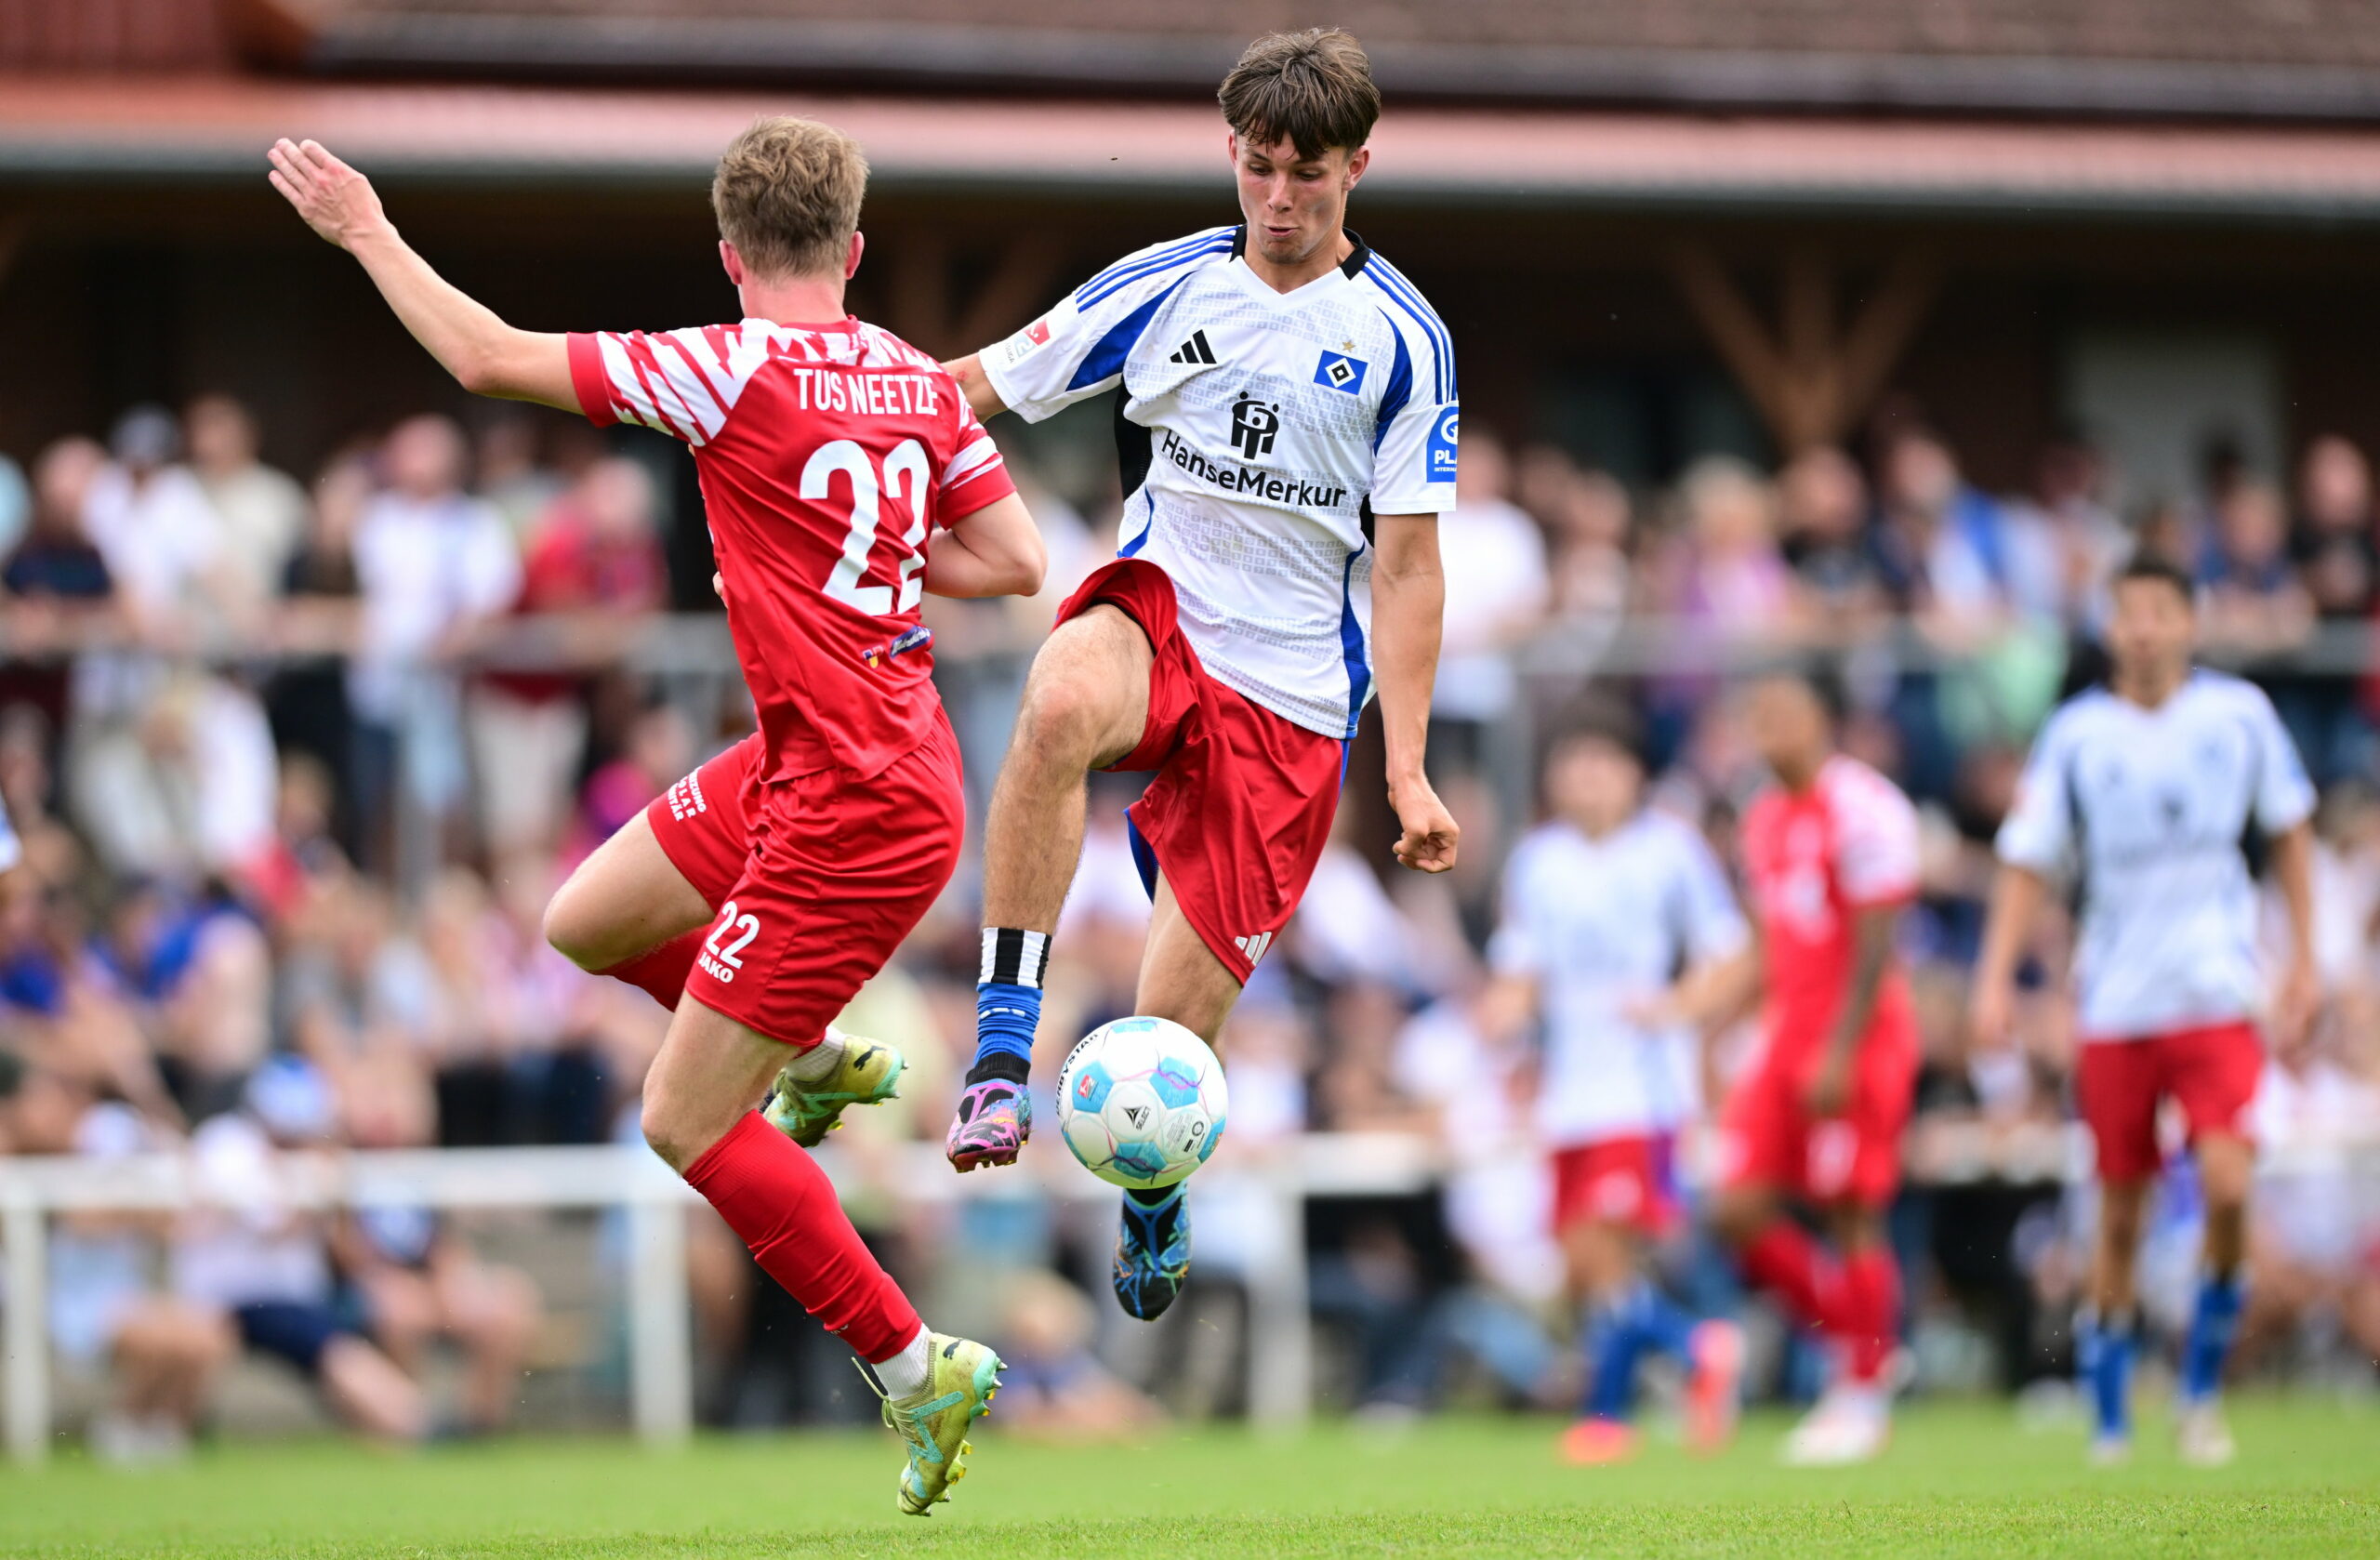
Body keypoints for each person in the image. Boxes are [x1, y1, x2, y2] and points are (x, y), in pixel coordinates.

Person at [270, 112, 1047, 1512]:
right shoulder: (916, 380)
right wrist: (871, 559)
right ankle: (805, 1060)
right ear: (856, 250)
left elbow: (485, 357)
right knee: (584, 916)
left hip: (849, 803)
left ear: (732, 254)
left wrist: (366, 231)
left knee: (684, 1121)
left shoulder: (721, 363)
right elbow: (1017, 555)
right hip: (847, 756)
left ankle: (913, 1360)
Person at [937, 27, 1461, 1322]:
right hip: (1158, 612)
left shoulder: (1405, 340)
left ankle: (1151, 1191)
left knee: (1165, 1042)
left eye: (1311, 175)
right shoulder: (1164, 284)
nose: (1281, 200)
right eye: (1261, 168)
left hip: (1289, 698)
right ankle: (1005, 1039)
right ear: (1232, 152)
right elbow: (975, 388)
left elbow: (1405, 569)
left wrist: (1406, 765)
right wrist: (819, 423)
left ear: (1359, 166)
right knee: (1056, 696)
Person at [1970, 551, 2318, 1468]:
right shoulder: (2078, 734)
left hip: (2216, 992)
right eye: (2129, 614)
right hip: (2116, 1002)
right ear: (2110, 627)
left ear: (2187, 622)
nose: (2146, 628)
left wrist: (2307, 963)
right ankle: (2112, 1414)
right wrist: (1993, 977)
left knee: (2230, 1187)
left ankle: (2199, 1389)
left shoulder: (2237, 716)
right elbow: (2026, 858)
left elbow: (2288, 829)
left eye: (2162, 611)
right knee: (2117, 1214)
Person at [1478, 701, 1752, 1465]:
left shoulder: (1671, 852)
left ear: (1635, 774)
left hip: (1643, 1088)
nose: (1588, 779)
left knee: (1605, 1255)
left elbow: (1731, 955)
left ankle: (1675, 1362)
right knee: (1581, 1268)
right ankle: (1648, 1385)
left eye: (1604, 764)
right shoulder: (1539, 860)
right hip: (1570, 1091)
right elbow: (1521, 969)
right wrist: (1502, 1013)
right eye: (1575, 765)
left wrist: (1676, 1007)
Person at [1709, 667, 1923, 1466]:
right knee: (1737, 1210)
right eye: (1757, 715)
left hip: (1854, 1035)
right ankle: (1863, 1339)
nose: (1769, 731)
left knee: (1849, 1211)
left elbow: (1877, 941)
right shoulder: (1761, 817)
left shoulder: (1864, 806)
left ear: (1822, 719)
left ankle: (1861, 1391)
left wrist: (1841, 1047)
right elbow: (1772, 941)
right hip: (1786, 1034)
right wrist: (1713, 1025)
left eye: (1784, 713)